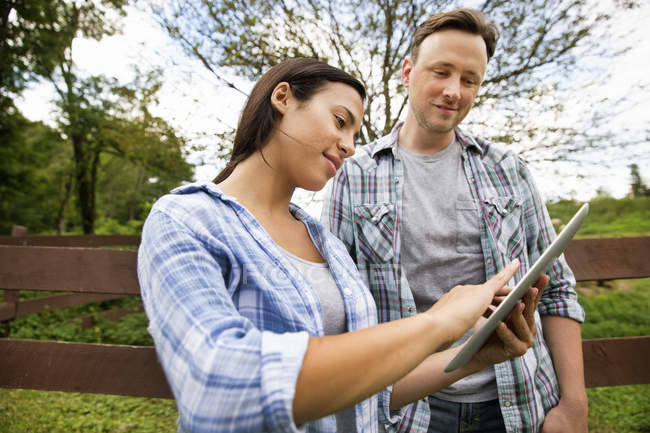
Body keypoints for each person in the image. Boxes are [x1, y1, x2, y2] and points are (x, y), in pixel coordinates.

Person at [137, 57, 547, 433]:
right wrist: (437, 322)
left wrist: (476, 356)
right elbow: (218, 385)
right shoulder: (187, 220)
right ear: (283, 97)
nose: (350, 146)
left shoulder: (326, 243)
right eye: (340, 121)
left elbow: (370, 391)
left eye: (355, 133)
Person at [322, 8, 588, 433]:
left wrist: (574, 405)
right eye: (440, 72)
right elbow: (340, 308)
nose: (453, 91)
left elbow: (557, 289)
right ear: (408, 72)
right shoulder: (355, 175)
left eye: (469, 79)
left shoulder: (508, 168)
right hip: (409, 410)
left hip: (518, 400)